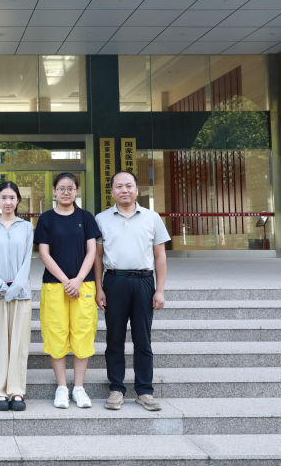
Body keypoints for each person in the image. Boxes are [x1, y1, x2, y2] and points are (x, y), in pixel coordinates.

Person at [94, 170, 170, 412]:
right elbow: (97, 257)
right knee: (114, 338)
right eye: (119, 186)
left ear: (137, 190)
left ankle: (145, 391)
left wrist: (160, 290)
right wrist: (99, 288)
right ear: (112, 191)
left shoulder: (152, 218)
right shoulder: (101, 219)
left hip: (144, 283)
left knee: (143, 339)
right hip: (114, 282)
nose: (124, 190)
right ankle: (116, 389)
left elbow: (160, 256)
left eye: (129, 186)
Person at [35, 173, 101, 409]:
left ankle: (79, 388)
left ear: (76, 191)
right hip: (55, 286)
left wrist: (78, 279)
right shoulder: (46, 218)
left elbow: (92, 251)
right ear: (54, 191)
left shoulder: (86, 217)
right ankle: (62, 387)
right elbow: (44, 253)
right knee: (56, 333)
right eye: (61, 188)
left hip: (84, 285)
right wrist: (66, 281)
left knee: (83, 332)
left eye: (70, 188)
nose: (66, 192)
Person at [0, 181, 33, 412]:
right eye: (4, 197)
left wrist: (14, 289)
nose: (8, 202)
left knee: (19, 343)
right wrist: (0, 287)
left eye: (12, 197)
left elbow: (27, 261)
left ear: (18, 200)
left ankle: (16, 390)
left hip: (21, 294)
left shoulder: (27, 227)